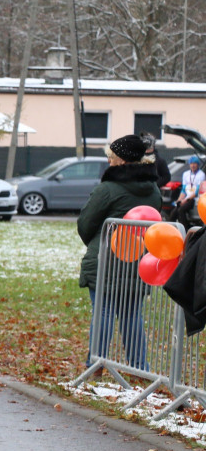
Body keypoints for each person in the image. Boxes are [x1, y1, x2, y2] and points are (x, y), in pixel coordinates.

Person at [77, 134, 161, 370]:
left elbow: (85, 224)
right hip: (138, 261)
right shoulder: (153, 190)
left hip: (105, 260)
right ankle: (138, 367)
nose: (109, 161)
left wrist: (95, 243)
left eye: (111, 157)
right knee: (132, 314)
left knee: (103, 311)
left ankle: (96, 364)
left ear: (122, 160)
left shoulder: (107, 189)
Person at [171, 155, 204, 228]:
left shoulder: (201, 175)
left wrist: (185, 200)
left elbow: (196, 192)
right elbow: (184, 190)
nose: (193, 165)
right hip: (186, 198)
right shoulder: (186, 174)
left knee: (181, 210)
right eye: (191, 164)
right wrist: (179, 200)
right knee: (173, 213)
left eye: (194, 164)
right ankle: (172, 228)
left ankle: (185, 228)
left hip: (193, 199)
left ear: (198, 164)